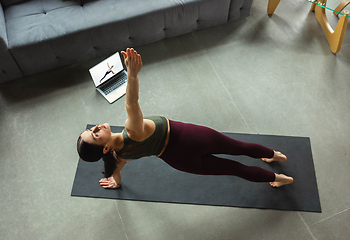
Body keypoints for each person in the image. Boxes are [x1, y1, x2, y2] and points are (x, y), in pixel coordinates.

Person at [77, 48, 294, 189]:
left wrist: (116, 181)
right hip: (192, 137)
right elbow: (131, 103)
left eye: (91, 129)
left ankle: (276, 179)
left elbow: (117, 169)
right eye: (95, 134)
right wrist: (132, 75)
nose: (96, 127)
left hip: (181, 161)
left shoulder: (119, 155)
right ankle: (274, 155)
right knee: (239, 147)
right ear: (104, 147)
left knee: (234, 169)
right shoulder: (131, 130)